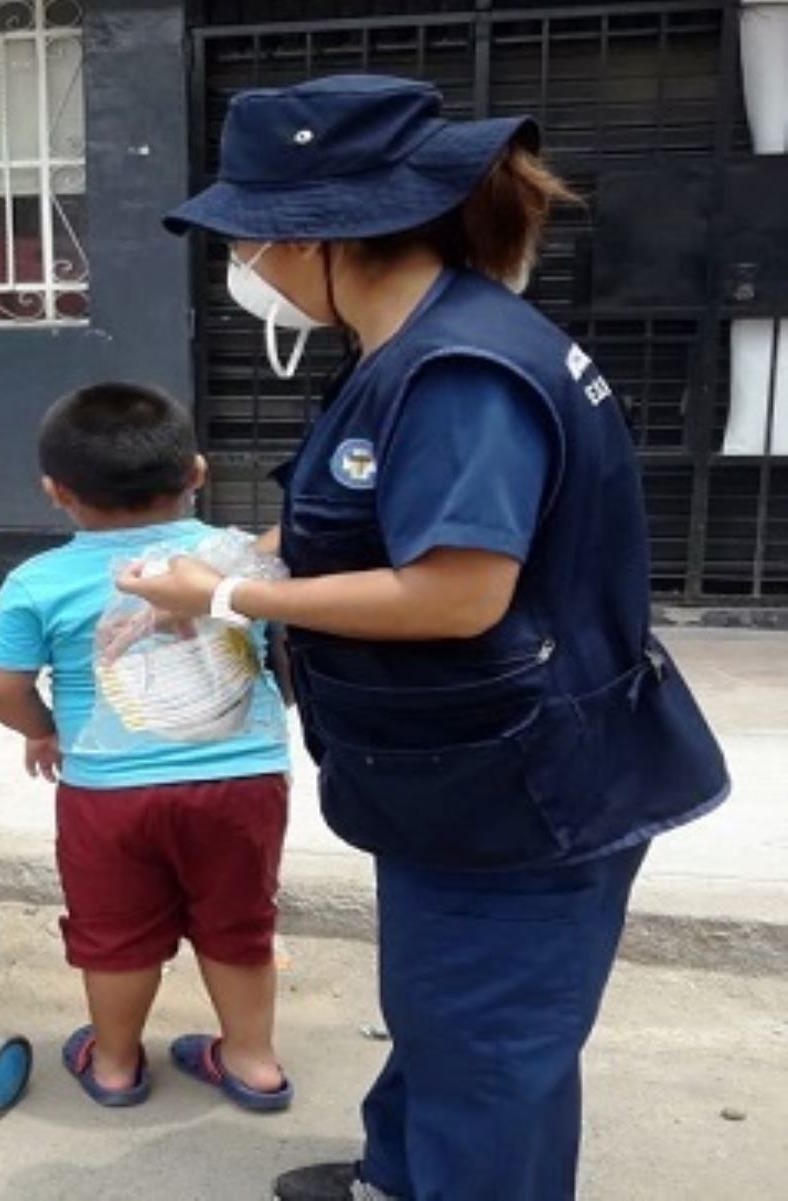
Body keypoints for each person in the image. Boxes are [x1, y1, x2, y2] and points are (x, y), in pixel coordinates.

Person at [129, 75, 729, 1200]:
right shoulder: (419, 341)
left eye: (250, 236)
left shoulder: (458, 371)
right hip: (461, 774)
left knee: (489, 1049)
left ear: (323, 233)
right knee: (445, 1013)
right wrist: (240, 558)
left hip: (520, 786)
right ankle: (400, 1177)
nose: (243, 264)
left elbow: (456, 594)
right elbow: (381, 515)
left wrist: (232, 600)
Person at [0, 382, 295, 1110]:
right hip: (242, 781)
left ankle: (115, 1063)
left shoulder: (38, 580)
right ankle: (252, 1061)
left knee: (114, 929)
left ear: (55, 491)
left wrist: (42, 728)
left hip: (109, 791)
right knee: (239, 920)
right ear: (197, 475)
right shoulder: (237, 559)